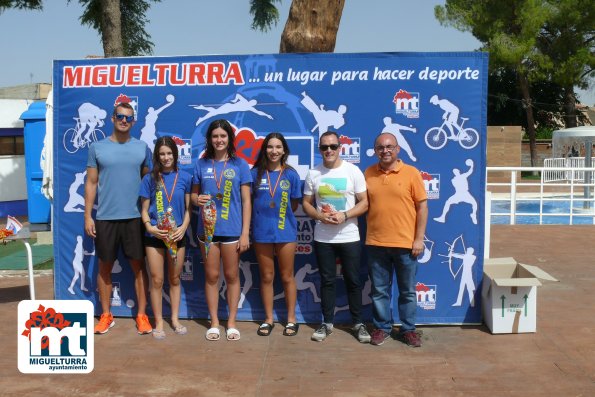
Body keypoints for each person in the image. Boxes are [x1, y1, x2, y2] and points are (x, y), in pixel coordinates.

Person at [85, 102, 152, 335]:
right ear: (112, 119)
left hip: (134, 218)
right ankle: (106, 315)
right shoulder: (97, 147)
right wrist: (88, 216)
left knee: (139, 268)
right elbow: (91, 183)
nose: (124, 120)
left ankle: (142, 315)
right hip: (105, 218)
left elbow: (149, 184)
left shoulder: (142, 148)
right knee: (104, 268)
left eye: (128, 117)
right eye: (120, 116)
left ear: (134, 121)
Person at [302, 131, 370, 343]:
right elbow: (306, 203)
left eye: (332, 146)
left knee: (353, 280)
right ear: (319, 149)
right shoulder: (314, 173)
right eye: (324, 147)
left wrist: (345, 215)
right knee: (327, 281)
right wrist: (320, 216)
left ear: (340, 147)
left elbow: (364, 202)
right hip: (323, 237)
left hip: (349, 235)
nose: (329, 150)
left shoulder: (353, 171)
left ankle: (358, 323)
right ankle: (327, 322)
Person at [364, 133, 428, 347]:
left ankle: (408, 329)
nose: (385, 150)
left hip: (406, 245)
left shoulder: (411, 173)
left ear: (398, 149)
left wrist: (419, 239)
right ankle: (382, 327)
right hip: (376, 243)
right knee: (379, 291)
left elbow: (422, 207)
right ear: (375, 151)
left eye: (390, 146)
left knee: (407, 291)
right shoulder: (368, 174)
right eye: (380, 147)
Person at [191, 119, 252, 341]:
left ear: (229, 139)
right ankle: (215, 322)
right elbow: (193, 196)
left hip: (232, 229)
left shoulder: (240, 165)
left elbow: (246, 201)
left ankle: (232, 322)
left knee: (232, 275)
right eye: (215, 136)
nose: (219, 140)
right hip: (206, 230)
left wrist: (245, 232)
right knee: (211, 276)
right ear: (209, 139)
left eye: (223, 136)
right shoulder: (201, 164)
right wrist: (198, 199)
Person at [139, 137, 192, 339]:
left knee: (175, 278)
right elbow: (144, 210)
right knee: (157, 279)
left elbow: (189, 209)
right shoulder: (149, 179)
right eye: (162, 154)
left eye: (169, 153)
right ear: (157, 156)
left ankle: (175, 319)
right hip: (155, 236)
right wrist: (150, 228)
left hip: (177, 235)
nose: (166, 157)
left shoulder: (185, 177)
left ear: (175, 154)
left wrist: (184, 227)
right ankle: (159, 321)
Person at [251, 132, 302, 337]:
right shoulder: (255, 173)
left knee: (287, 276)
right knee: (266, 276)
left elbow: (295, 203)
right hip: (261, 232)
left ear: (284, 150)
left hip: (285, 231)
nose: (274, 151)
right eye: (270, 147)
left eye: (278, 147)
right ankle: (268, 319)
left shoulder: (291, 174)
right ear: (264, 149)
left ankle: (291, 320)